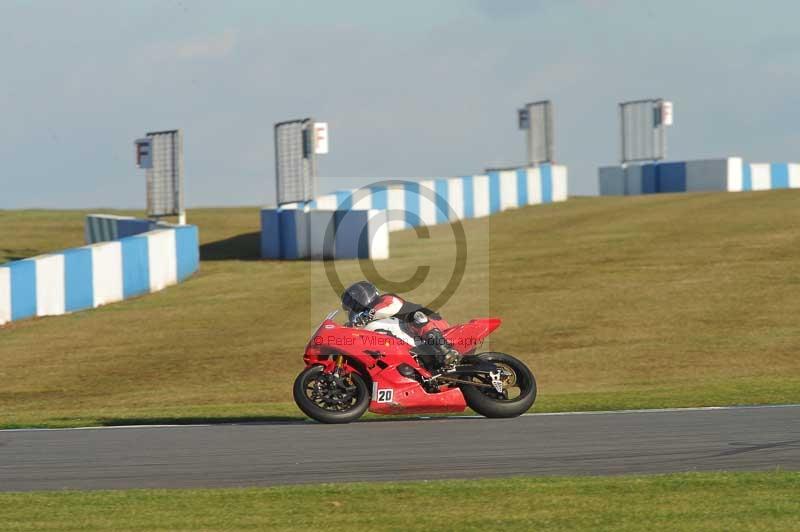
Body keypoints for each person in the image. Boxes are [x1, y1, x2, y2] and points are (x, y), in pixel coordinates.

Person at [340, 281, 460, 370]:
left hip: (436, 326)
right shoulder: (368, 322)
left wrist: (365, 316)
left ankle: (445, 350)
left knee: (416, 317)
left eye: (352, 305)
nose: (351, 310)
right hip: (415, 343)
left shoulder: (386, 299)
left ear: (363, 297)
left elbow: (391, 306)